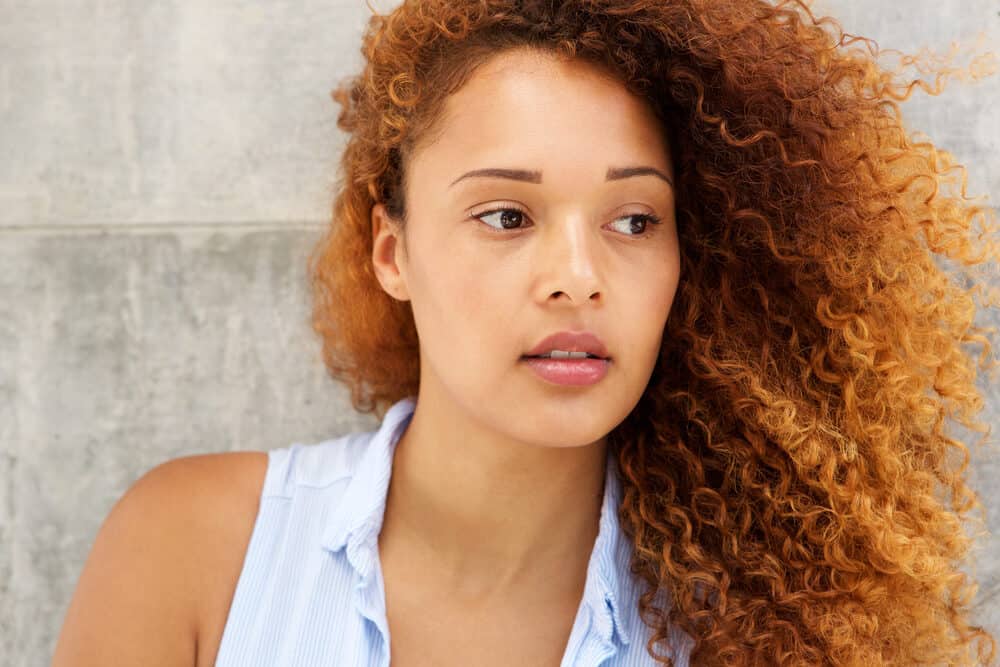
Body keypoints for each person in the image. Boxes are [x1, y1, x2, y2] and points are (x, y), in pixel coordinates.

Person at [53, 0, 1000, 665]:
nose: (579, 278)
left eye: (633, 220)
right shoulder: (195, 549)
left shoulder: (756, 633)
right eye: (507, 216)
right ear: (393, 252)